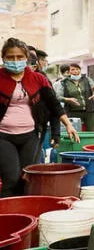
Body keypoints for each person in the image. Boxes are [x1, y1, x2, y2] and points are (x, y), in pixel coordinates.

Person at [0, 38, 79, 197]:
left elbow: (54, 104)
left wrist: (68, 125)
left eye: (19, 57)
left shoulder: (38, 78)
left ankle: (24, 213)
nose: (15, 61)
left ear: (26, 58)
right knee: (11, 179)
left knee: (27, 177)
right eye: (10, 57)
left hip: (31, 135)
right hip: (3, 136)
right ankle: (6, 214)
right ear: (3, 58)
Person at [55, 63, 94, 131]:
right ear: (69, 71)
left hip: (90, 111)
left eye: (77, 69)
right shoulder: (64, 82)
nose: (75, 71)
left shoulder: (87, 79)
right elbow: (57, 97)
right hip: (72, 112)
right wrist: (67, 99)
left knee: (92, 132)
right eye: (72, 69)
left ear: (80, 70)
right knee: (74, 132)